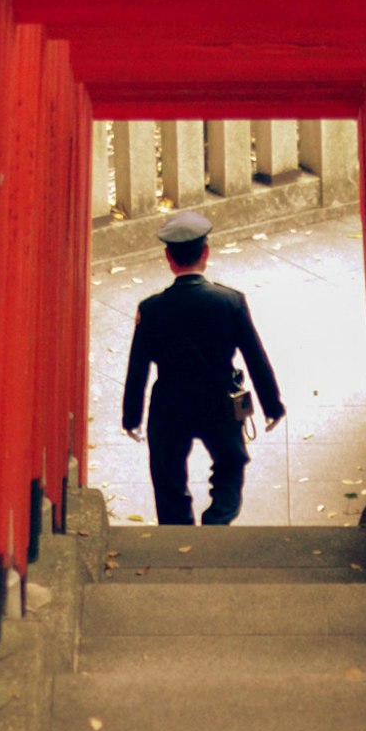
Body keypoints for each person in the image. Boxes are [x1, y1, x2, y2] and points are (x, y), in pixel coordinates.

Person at [120, 212, 286, 525]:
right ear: (205, 253)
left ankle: (178, 530)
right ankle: (218, 519)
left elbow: (138, 368)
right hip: (220, 401)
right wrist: (272, 405)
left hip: (170, 403)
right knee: (231, 462)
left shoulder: (151, 309)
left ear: (168, 257)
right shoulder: (231, 302)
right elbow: (255, 357)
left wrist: (131, 417)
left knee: (167, 475)